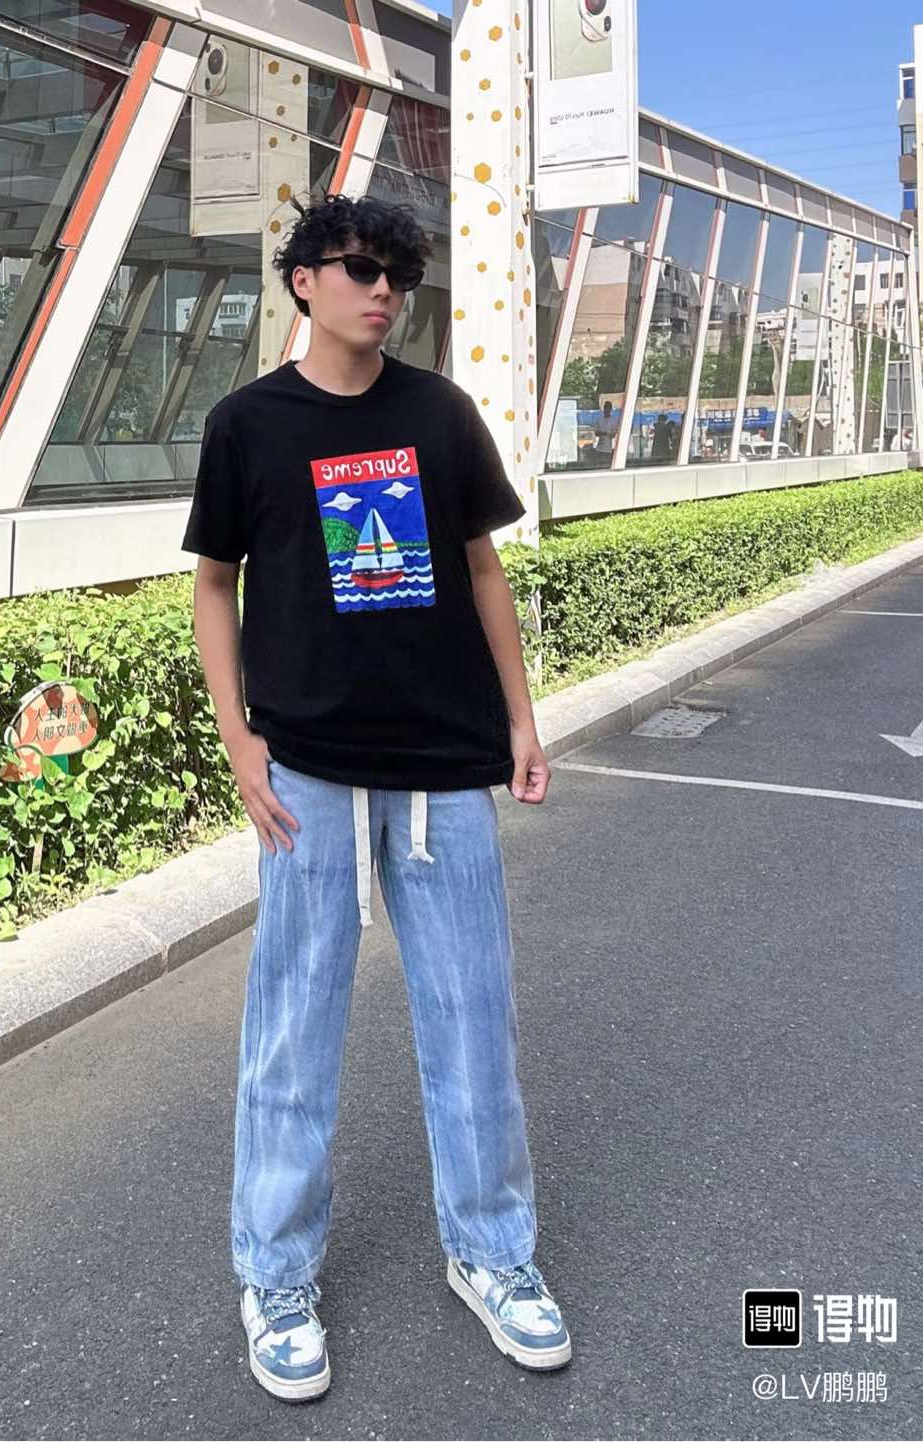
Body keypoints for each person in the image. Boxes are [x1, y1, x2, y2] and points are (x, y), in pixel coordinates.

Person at [182, 192, 572, 1403]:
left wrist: (520, 719)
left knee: (473, 1025)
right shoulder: (247, 425)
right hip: (304, 774)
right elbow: (213, 586)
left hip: (444, 770)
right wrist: (239, 743)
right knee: (291, 1035)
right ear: (304, 279)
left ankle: (493, 1251)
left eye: (398, 272)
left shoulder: (438, 413)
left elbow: (482, 569)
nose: (384, 290)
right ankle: (275, 1272)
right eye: (360, 268)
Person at [592, 399, 617, 466]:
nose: (606, 410)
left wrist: (608, 434)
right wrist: (603, 433)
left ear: (611, 409)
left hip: (609, 448)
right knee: (599, 464)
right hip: (599, 448)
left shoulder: (614, 420)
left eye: (608, 408)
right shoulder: (599, 419)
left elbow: (614, 434)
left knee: (607, 464)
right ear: (604, 408)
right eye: (605, 408)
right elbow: (596, 433)